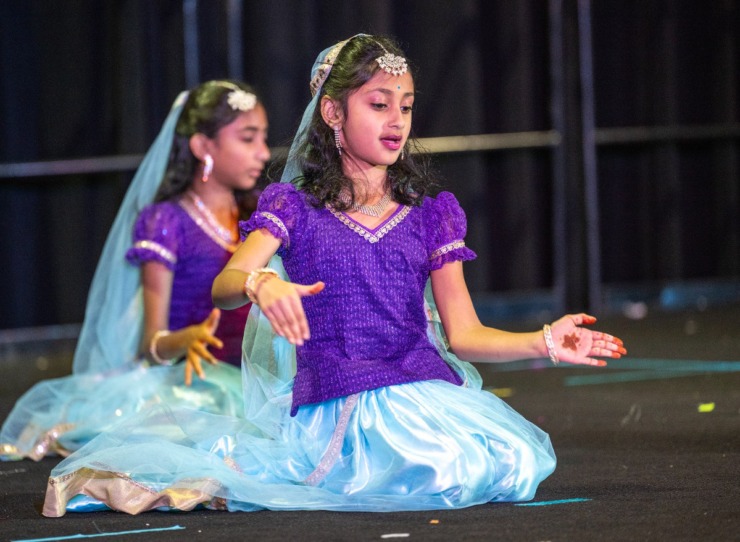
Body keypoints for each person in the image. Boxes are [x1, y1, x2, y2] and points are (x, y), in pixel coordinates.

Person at [42, 35, 625, 515]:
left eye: (406, 104)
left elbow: (464, 335)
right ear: (332, 112)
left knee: (512, 461)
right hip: (342, 400)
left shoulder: (431, 212)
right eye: (378, 103)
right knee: (443, 469)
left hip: (424, 392)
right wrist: (261, 282)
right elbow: (226, 282)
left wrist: (545, 341)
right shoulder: (293, 207)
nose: (397, 119)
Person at [0, 80, 270, 461]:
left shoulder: (260, 217)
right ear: (203, 146)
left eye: (263, 139)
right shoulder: (167, 221)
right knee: (190, 430)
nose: (262, 153)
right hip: (196, 381)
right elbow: (151, 343)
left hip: (255, 379)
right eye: (247, 139)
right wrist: (186, 339)